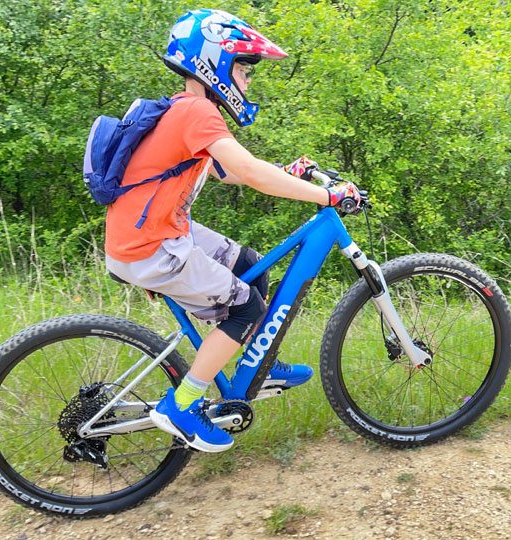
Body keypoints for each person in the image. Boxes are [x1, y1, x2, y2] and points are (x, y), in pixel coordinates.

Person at [104, 8, 362, 452]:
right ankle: (182, 405)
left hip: (154, 232)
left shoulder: (187, 109)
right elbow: (250, 172)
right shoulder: (198, 112)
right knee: (245, 308)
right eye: (243, 68)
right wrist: (327, 196)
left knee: (249, 264)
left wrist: (288, 171)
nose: (247, 80)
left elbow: (229, 171)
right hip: (150, 244)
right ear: (215, 64)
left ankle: (259, 362)